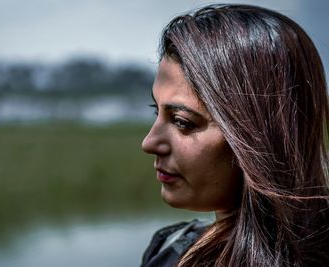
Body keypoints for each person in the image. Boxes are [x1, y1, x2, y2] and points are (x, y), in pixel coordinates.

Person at [140, 4, 329, 267]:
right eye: (156, 112)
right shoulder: (170, 248)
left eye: (182, 122)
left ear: (258, 135)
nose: (149, 143)